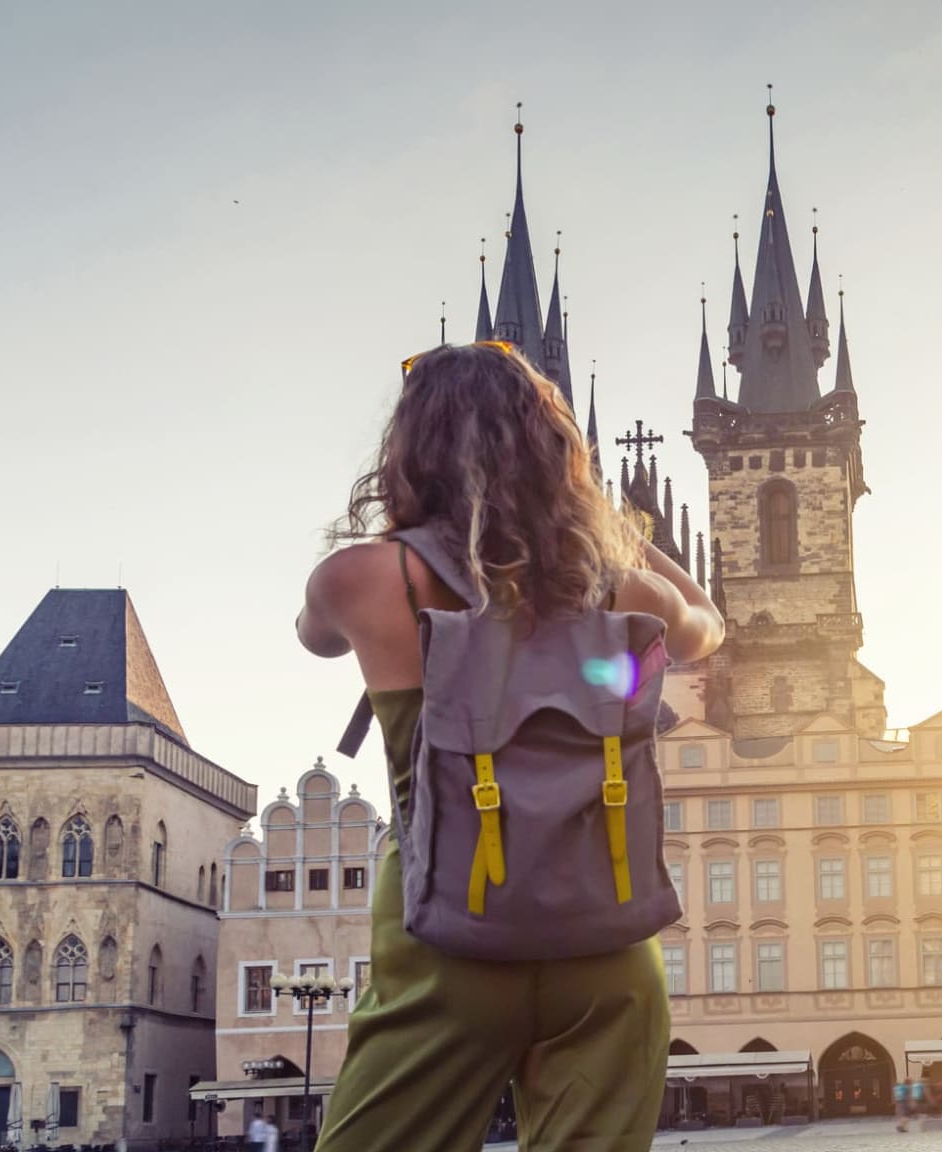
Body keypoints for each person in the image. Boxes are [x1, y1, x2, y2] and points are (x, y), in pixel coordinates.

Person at [297, 342, 726, 1151]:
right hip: (608, 956)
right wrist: (601, 522)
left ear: (409, 449)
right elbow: (708, 624)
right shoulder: (623, 591)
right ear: (556, 450)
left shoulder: (363, 580)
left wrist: (415, 530)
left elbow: (312, 636)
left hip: (445, 946)